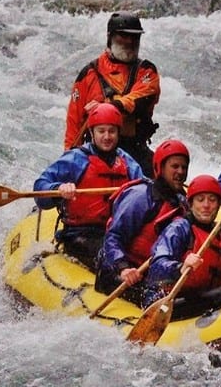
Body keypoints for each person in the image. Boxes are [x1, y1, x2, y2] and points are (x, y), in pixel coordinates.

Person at [33, 103, 144, 270]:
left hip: (116, 234)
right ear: (92, 133)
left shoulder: (127, 163)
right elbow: (40, 188)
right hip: (80, 235)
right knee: (114, 258)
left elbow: (146, 193)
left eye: (112, 131)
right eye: (101, 131)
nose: (107, 137)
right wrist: (59, 189)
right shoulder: (76, 159)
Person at [141, 176, 221, 317]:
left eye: (212, 200)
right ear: (191, 204)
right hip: (167, 301)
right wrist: (180, 267)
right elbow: (156, 266)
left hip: (204, 296)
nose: (206, 205)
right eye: (200, 199)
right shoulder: (179, 228)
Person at [64, 11, 160, 177]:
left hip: (134, 149)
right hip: (96, 151)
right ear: (110, 37)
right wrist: (69, 161)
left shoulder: (147, 71)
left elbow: (139, 100)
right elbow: (75, 124)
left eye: (134, 37)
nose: (130, 42)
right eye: (123, 36)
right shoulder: (89, 74)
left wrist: (105, 108)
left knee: (162, 178)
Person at [98, 139, 190, 304]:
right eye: (174, 166)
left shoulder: (183, 203)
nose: (180, 172)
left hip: (153, 273)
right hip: (121, 270)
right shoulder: (140, 196)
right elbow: (113, 237)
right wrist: (123, 268)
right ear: (160, 168)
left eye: (184, 167)